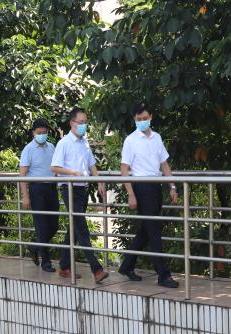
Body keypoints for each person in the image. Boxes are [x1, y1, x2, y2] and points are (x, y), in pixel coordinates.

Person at [118, 103, 179, 288]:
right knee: (153, 231)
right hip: (141, 187)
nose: (142, 122)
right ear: (134, 120)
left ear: (151, 117)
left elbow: (164, 164)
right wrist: (131, 194)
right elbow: (124, 169)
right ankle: (163, 275)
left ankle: (127, 266)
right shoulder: (130, 140)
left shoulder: (157, 137)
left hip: (156, 187)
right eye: (139, 119)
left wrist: (172, 186)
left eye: (145, 118)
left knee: (146, 230)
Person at [50, 107, 109, 284]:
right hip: (69, 188)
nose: (84, 125)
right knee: (82, 229)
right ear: (72, 123)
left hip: (82, 189)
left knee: (74, 228)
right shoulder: (64, 143)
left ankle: (64, 266)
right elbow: (54, 167)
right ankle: (96, 269)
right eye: (80, 122)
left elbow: (92, 165)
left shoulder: (85, 143)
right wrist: (72, 173)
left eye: (85, 122)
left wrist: (99, 182)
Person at [19, 118, 59, 272]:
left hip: (51, 188)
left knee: (53, 225)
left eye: (45, 132)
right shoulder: (28, 149)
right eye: (39, 132)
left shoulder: (52, 147)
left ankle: (35, 247)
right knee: (42, 226)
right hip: (37, 190)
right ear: (33, 133)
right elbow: (22, 175)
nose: (42, 135)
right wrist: (25, 196)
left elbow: (56, 167)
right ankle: (46, 262)